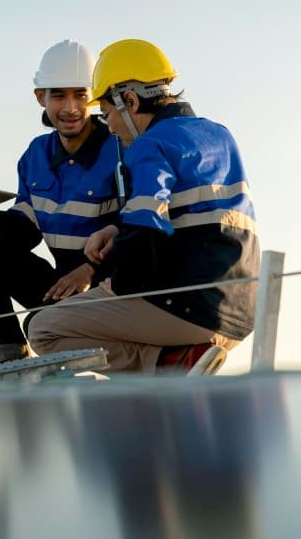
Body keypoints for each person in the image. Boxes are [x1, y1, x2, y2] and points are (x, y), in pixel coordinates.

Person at [27, 39, 260, 374]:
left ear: (130, 102)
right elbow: (189, 212)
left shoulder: (149, 144)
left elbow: (146, 223)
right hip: (242, 311)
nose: (109, 127)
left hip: (189, 309)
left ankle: (166, 363)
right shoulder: (219, 134)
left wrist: (112, 283)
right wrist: (116, 229)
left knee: (42, 329)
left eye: (106, 114)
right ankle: (175, 360)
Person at [0, 40, 124, 364]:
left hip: (112, 285)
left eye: (80, 95)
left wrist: (92, 269)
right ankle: (9, 359)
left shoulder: (122, 147)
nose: (70, 108)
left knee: (36, 323)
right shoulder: (35, 155)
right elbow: (25, 235)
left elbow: (141, 226)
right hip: (61, 286)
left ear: (93, 96)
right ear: (41, 97)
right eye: (58, 95)